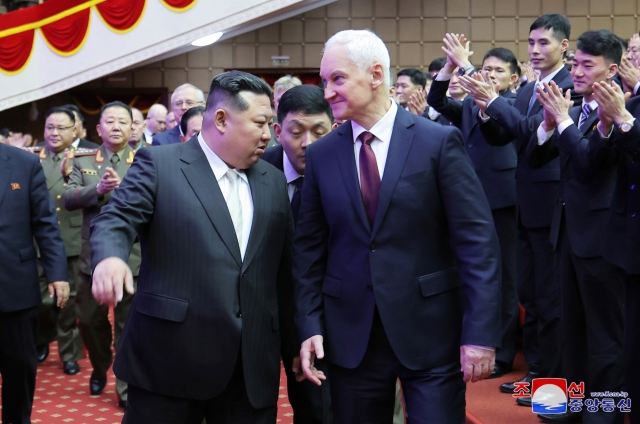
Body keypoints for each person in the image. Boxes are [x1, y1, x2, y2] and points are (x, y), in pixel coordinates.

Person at [293, 29, 501, 423]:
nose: (327, 92)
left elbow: (477, 243)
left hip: (432, 332)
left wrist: (480, 332)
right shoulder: (321, 155)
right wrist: (309, 323)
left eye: (337, 79)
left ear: (375, 75)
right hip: (351, 336)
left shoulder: (437, 142)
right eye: (324, 81)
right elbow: (309, 250)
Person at [89, 71, 296, 423]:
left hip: (250, 368)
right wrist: (110, 257)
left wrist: (295, 341)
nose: (268, 135)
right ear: (220, 120)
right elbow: (115, 218)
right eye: (260, 123)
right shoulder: (161, 165)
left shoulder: (272, 179)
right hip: (171, 360)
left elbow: (283, 270)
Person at [459, 14, 579, 398]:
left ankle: (552, 381)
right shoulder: (529, 90)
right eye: (531, 43)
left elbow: (531, 135)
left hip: (554, 205)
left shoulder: (567, 86)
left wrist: (494, 101)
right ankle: (538, 373)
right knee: (529, 292)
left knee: (550, 296)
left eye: (544, 43)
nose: (535, 50)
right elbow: (506, 137)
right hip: (524, 201)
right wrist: (485, 106)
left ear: (563, 47)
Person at [527, 30, 624, 424]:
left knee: (605, 335)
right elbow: (535, 159)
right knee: (571, 328)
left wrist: (563, 120)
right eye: (576, 64)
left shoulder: (619, 108)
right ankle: (573, 405)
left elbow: (591, 162)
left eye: (588, 65)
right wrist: (550, 124)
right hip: (565, 231)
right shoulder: (575, 106)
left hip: (603, 237)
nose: (578, 72)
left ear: (612, 69)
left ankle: (604, 413)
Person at [428, 40, 521, 380]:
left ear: (513, 78)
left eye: (499, 70)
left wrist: (468, 68)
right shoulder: (467, 106)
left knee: (504, 277)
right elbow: (435, 100)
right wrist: (451, 66)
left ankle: (505, 351)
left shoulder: (512, 104)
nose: (491, 74)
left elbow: (501, 128)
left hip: (501, 198)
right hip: (466, 199)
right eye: (487, 68)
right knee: (470, 272)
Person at [262, 84, 336, 424]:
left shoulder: (347, 170)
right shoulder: (257, 172)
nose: (307, 143)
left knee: (321, 408)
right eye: (296, 132)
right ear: (278, 132)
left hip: (329, 317)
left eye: (318, 131)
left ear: (333, 128)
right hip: (265, 313)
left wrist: (308, 329)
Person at [62, 101, 141, 408]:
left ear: (133, 127)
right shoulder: (82, 161)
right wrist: (98, 189)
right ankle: (100, 364)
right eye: (110, 121)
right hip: (91, 259)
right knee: (89, 321)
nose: (117, 126)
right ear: (98, 128)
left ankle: (124, 388)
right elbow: (68, 199)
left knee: (128, 327)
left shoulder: (145, 160)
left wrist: (123, 190)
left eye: (124, 121)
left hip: (132, 258)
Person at [0, 142, 69, 424]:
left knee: (20, 367)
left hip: (14, 284)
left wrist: (57, 274)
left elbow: (45, 223)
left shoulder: (24, 163)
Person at [592, 78, 640, 424]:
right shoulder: (632, 104)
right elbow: (601, 163)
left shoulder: (629, 110)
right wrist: (608, 126)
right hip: (628, 242)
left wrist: (622, 120)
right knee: (631, 344)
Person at [35, 107, 92, 376]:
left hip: (71, 239)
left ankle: (70, 353)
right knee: (41, 300)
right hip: (38, 242)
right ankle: (43, 337)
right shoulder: (32, 157)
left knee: (69, 303)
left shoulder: (87, 158)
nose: (54, 133)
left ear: (75, 130)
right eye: (49, 127)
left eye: (61, 128)